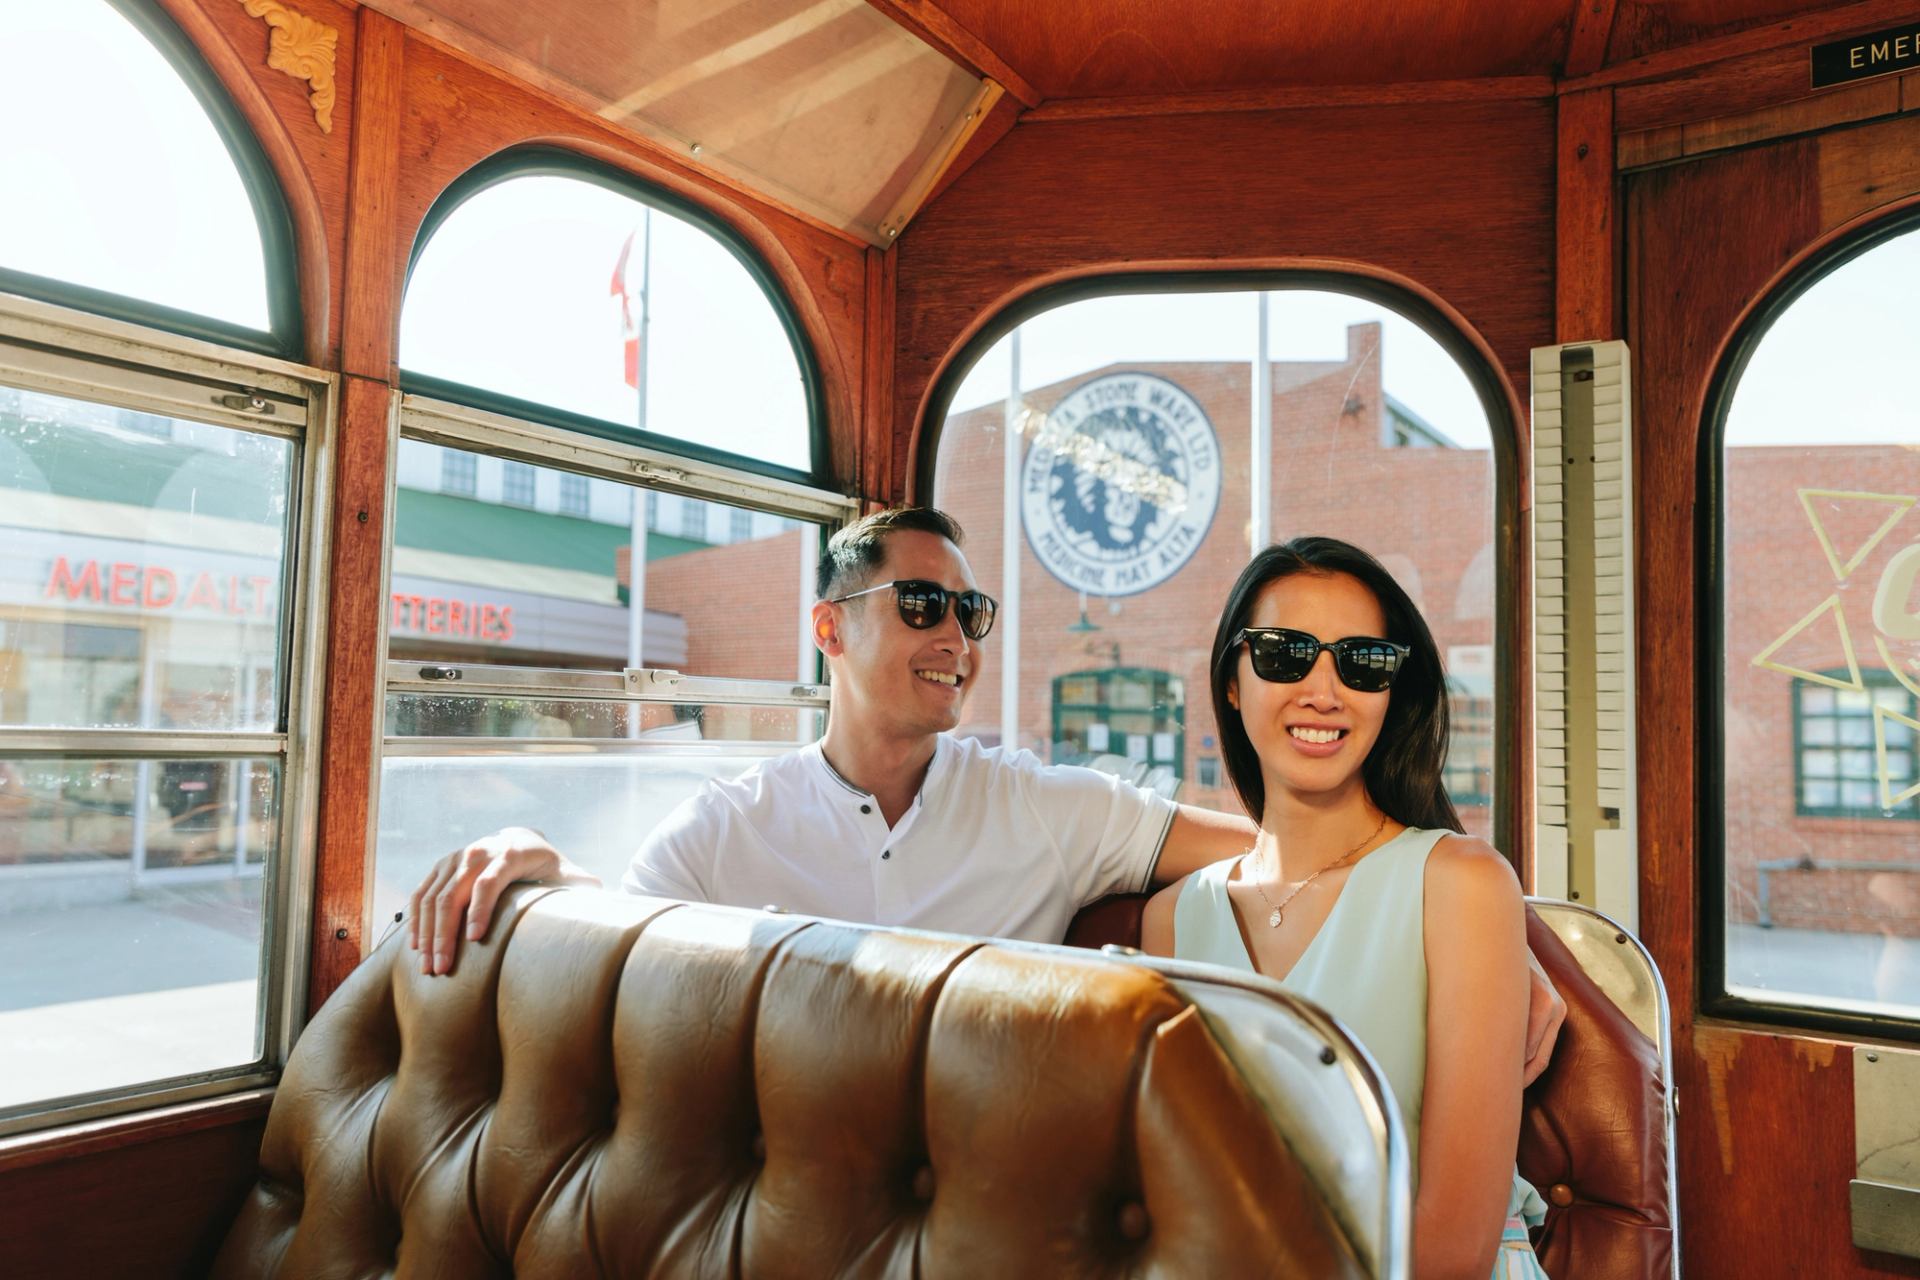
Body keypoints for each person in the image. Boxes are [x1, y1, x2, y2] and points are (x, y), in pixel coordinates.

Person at [407, 507, 1563, 1084]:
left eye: (972, 614)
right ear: (830, 627)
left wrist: (1518, 938)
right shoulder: (729, 824)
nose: (955, 635)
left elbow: (1299, 843)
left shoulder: (1043, 808)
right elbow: (632, 933)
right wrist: (536, 862)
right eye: (922, 606)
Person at [1141, 536, 1548, 1279]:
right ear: (1232, 681)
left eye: (1360, 662)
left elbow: (1451, 1253)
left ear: (1391, 693)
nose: (1323, 692)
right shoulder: (1170, 919)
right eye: (1284, 654)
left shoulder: (1462, 884)